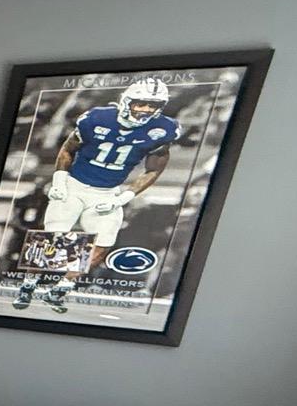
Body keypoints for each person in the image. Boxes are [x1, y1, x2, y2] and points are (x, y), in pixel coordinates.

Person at [15, 77, 181, 312]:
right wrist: (60, 181)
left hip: (107, 192)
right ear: (127, 101)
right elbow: (68, 149)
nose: (146, 110)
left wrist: (123, 197)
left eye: (152, 105)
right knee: (52, 238)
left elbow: (154, 169)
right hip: (74, 185)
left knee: (104, 244)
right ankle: (28, 285)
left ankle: (59, 289)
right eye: (141, 103)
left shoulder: (163, 129)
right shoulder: (97, 118)